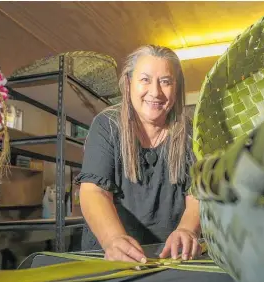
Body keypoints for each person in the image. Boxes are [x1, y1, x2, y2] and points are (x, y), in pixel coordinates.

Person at [74, 45, 200, 263]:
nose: (155, 92)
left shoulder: (190, 134)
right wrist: (114, 239)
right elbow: (94, 192)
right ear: (129, 82)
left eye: (165, 82)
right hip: (109, 255)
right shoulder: (107, 126)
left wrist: (187, 230)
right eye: (145, 80)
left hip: (169, 258)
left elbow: (197, 195)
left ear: (176, 89)